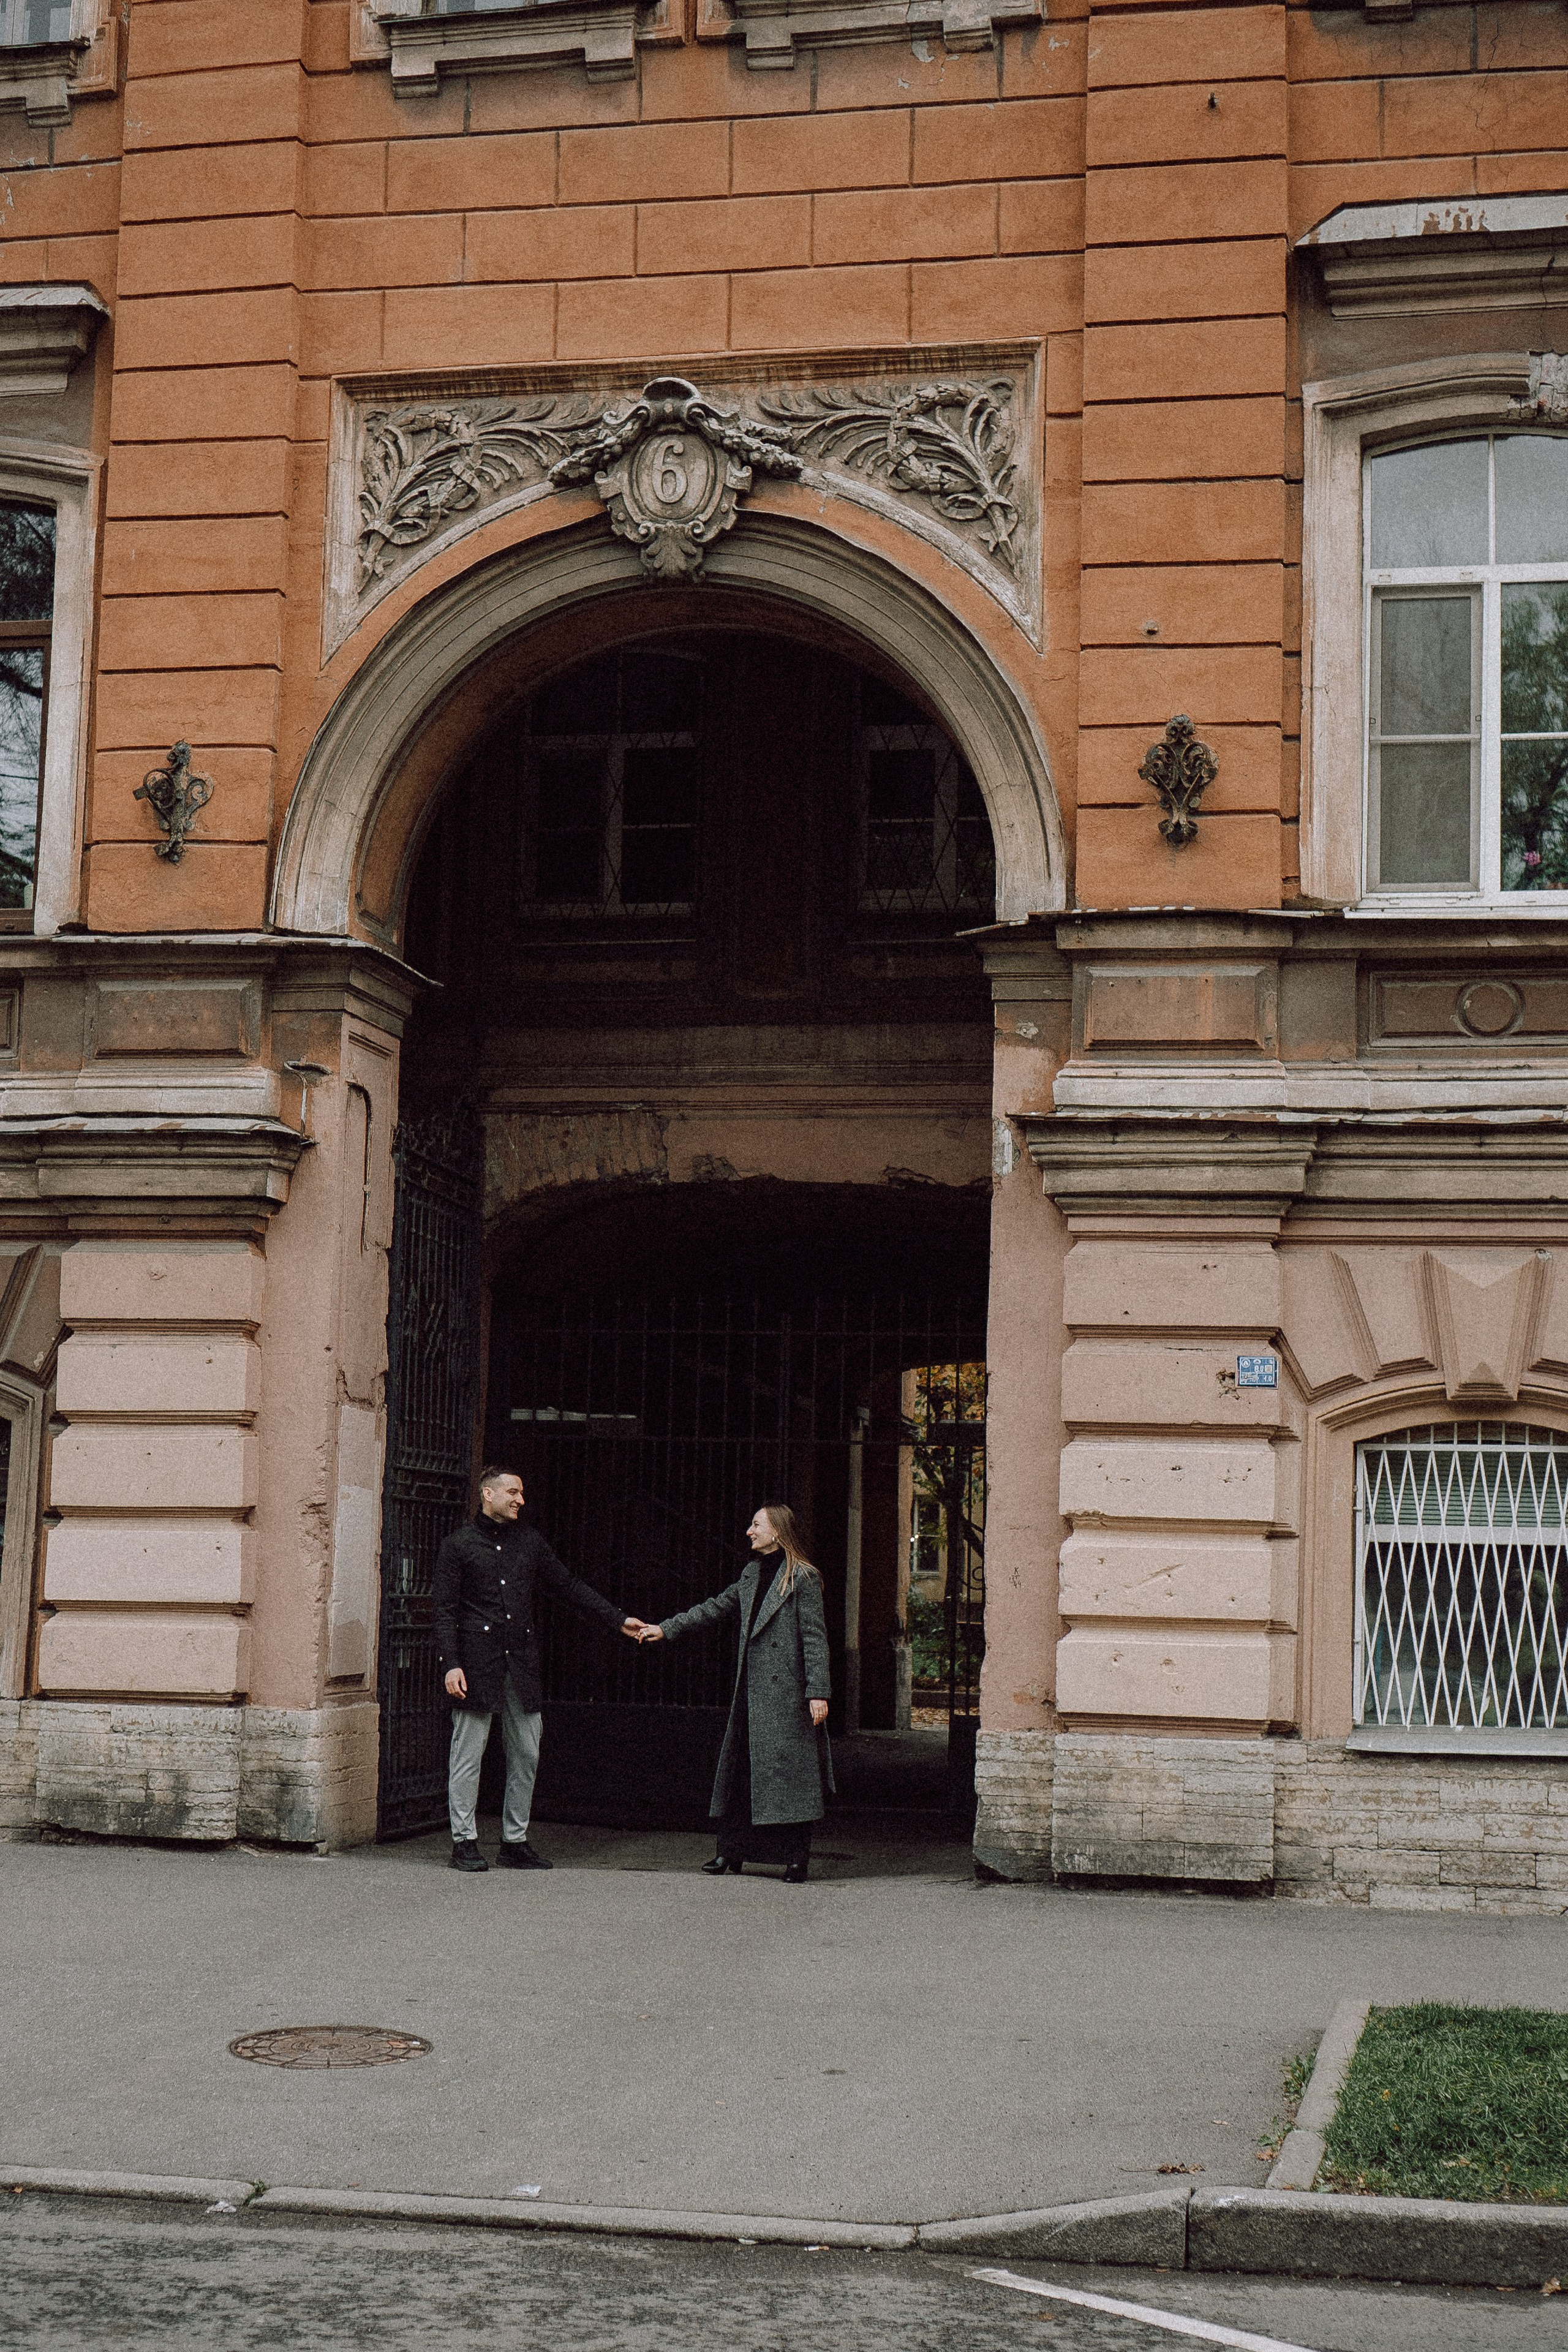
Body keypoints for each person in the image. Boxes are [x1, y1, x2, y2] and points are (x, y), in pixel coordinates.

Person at [432, 1466, 649, 1873]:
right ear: (487, 1495)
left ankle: (514, 1842)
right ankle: (464, 1841)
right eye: (512, 1492)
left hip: (521, 1664)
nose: (520, 1500)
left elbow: (567, 1585)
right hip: (476, 1663)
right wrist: (451, 1664)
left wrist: (617, 1620)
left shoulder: (529, 1542)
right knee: (468, 1754)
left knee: (527, 1753)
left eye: (522, 1493)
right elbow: (443, 1611)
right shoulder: (458, 1545)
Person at [638, 1503, 832, 1884]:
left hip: (788, 1696)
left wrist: (818, 1691)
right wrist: (667, 1628)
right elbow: (715, 1608)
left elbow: (814, 1637)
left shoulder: (803, 1578)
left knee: (788, 1776)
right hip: (751, 1691)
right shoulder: (751, 1572)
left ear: (777, 1531)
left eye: (756, 1525)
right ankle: (729, 1852)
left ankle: (795, 1859)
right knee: (742, 1771)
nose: (749, 1530)